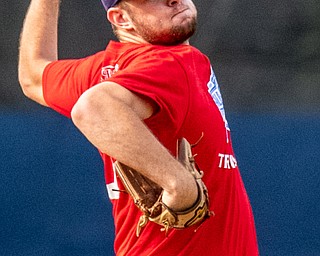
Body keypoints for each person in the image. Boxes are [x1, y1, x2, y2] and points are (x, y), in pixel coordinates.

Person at [18, 0, 259, 255]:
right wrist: (178, 182)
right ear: (121, 19)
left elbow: (33, 77)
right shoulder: (173, 62)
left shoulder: (101, 72)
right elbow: (93, 108)